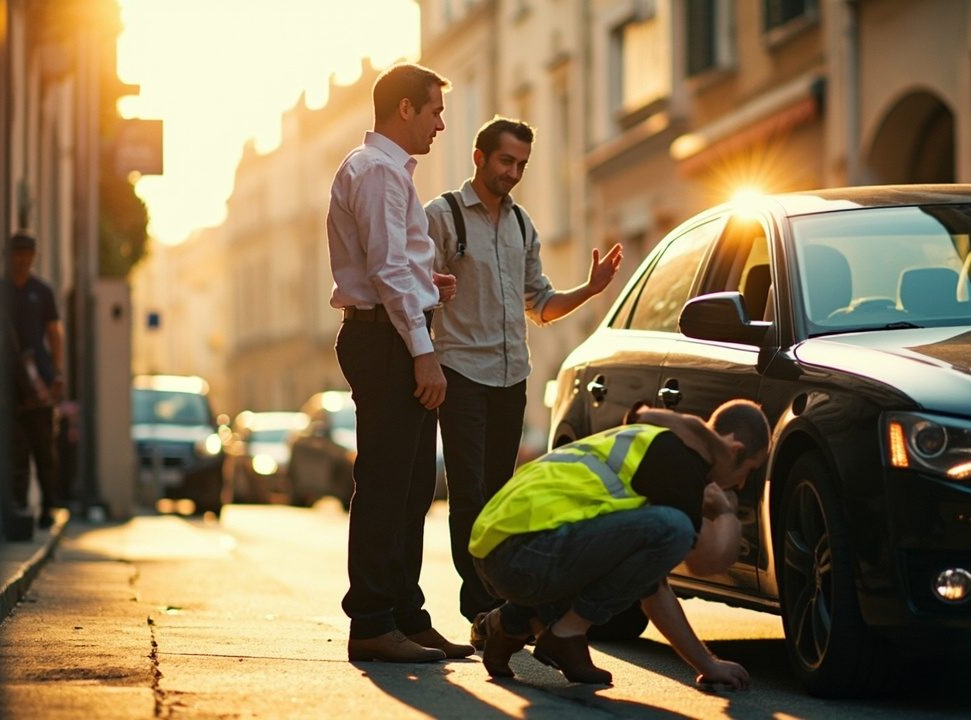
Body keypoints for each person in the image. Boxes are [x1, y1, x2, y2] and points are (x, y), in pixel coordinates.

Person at [423, 116, 624, 627]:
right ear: (480, 158)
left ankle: (499, 598)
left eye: (522, 165)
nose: (514, 173)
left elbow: (542, 304)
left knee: (500, 492)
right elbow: (416, 286)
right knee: (468, 492)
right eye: (506, 161)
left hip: (512, 375)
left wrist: (590, 289)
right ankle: (480, 604)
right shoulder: (444, 216)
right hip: (461, 369)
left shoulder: (521, 224)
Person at [468, 399, 770, 687]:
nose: (743, 484)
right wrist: (726, 512)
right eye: (750, 470)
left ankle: (509, 623)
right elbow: (707, 563)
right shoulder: (680, 464)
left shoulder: (659, 442)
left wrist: (708, 665)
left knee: (639, 553)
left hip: (497, 550)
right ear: (735, 450)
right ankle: (566, 635)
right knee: (674, 528)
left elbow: (649, 583)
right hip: (521, 552)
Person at [326, 62, 465, 664]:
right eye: (434, 110)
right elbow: (383, 270)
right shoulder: (379, 172)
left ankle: (406, 615)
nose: (440, 123)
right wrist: (424, 350)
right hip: (386, 341)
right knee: (387, 484)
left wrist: (426, 284)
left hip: (390, 331)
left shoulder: (383, 171)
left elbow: (388, 263)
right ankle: (373, 622)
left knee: (410, 488)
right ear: (404, 109)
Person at [1, 230, 64, 529]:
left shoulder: (42, 291)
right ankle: (18, 506)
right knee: (15, 447)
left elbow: (54, 333)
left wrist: (57, 372)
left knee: (42, 446)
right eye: (17, 253)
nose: (22, 260)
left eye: (27, 254)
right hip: (6, 380)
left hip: (37, 377)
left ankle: (48, 505)